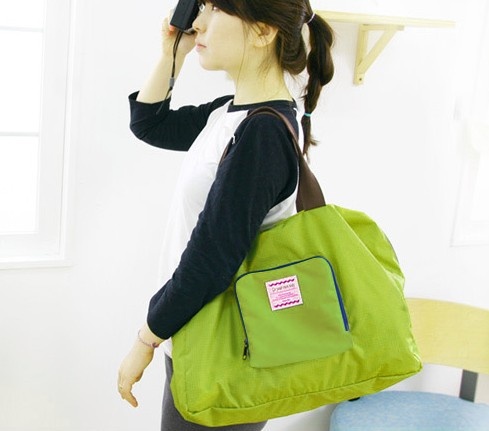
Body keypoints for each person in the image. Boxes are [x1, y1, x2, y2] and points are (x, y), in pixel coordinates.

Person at [118, 0, 334, 429]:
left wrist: (145, 339)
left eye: (215, 9)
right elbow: (149, 123)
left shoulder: (263, 132)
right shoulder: (232, 113)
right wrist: (172, 55)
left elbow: (211, 259)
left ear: (263, 31)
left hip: (225, 350)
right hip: (200, 334)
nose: (197, 23)